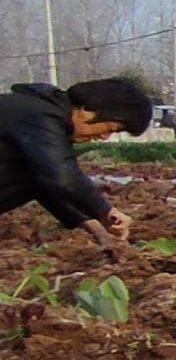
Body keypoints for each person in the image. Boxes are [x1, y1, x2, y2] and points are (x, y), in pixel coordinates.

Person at [0, 77, 150, 245]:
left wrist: (93, 225)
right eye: (110, 129)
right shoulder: (41, 116)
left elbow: (44, 182)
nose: (104, 137)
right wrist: (106, 210)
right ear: (87, 110)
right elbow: (62, 176)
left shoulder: (42, 113)